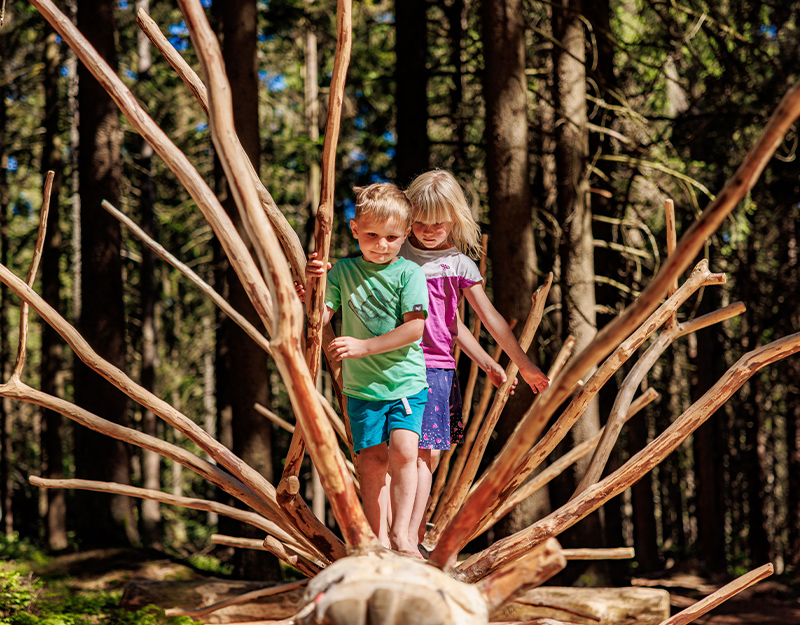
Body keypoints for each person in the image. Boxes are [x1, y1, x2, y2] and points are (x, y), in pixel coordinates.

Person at [402, 169, 551, 549]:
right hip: (396, 363)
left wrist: (506, 362)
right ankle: (395, 535)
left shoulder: (458, 265)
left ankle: (414, 537)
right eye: (419, 222)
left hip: (437, 367)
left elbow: (472, 323)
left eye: (438, 223)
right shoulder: (396, 253)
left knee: (428, 455)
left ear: (455, 219)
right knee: (399, 452)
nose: (428, 230)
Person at [302, 182, 429, 557]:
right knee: (371, 461)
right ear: (354, 228)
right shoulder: (341, 272)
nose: (382, 244)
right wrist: (312, 285)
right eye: (372, 235)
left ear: (405, 236)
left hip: (405, 383)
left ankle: (403, 534)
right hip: (363, 390)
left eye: (392, 237)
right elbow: (318, 316)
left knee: (405, 451)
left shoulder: (409, 274)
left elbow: (415, 329)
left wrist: (362, 347)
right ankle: (375, 539)